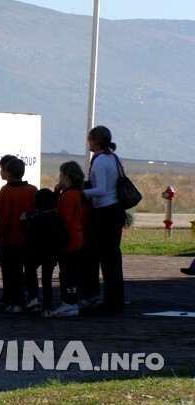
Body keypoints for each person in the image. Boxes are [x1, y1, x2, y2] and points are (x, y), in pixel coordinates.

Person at [81, 125, 126, 314]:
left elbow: (100, 190)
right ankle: (115, 299)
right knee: (113, 259)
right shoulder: (114, 158)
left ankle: (106, 301)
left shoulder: (99, 162)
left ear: (95, 141)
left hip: (105, 212)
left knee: (102, 258)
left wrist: (79, 193)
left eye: (90, 139)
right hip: (116, 210)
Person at [0, 157, 38, 313]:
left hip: (11, 239)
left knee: (13, 273)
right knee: (30, 270)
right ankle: (34, 298)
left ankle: (16, 302)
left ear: (8, 173)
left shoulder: (6, 191)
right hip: (29, 239)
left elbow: (4, 215)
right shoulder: (33, 190)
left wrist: (1, 233)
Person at [23, 188, 68, 317]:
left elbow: (29, 236)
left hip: (36, 251)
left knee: (30, 273)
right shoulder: (58, 217)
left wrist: (22, 223)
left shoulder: (37, 218)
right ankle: (47, 307)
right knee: (47, 280)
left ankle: (34, 297)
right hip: (52, 252)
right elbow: (64, 236)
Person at [52, 161, 90, 317]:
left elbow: (63, 219)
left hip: (68, 239)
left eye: (61, 175)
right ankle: (74, 300)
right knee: (73, 273)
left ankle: (69, 302)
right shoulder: (80, 194)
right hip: (79, 238)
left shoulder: (67, 197)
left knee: (66, 273)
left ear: (66, 176)